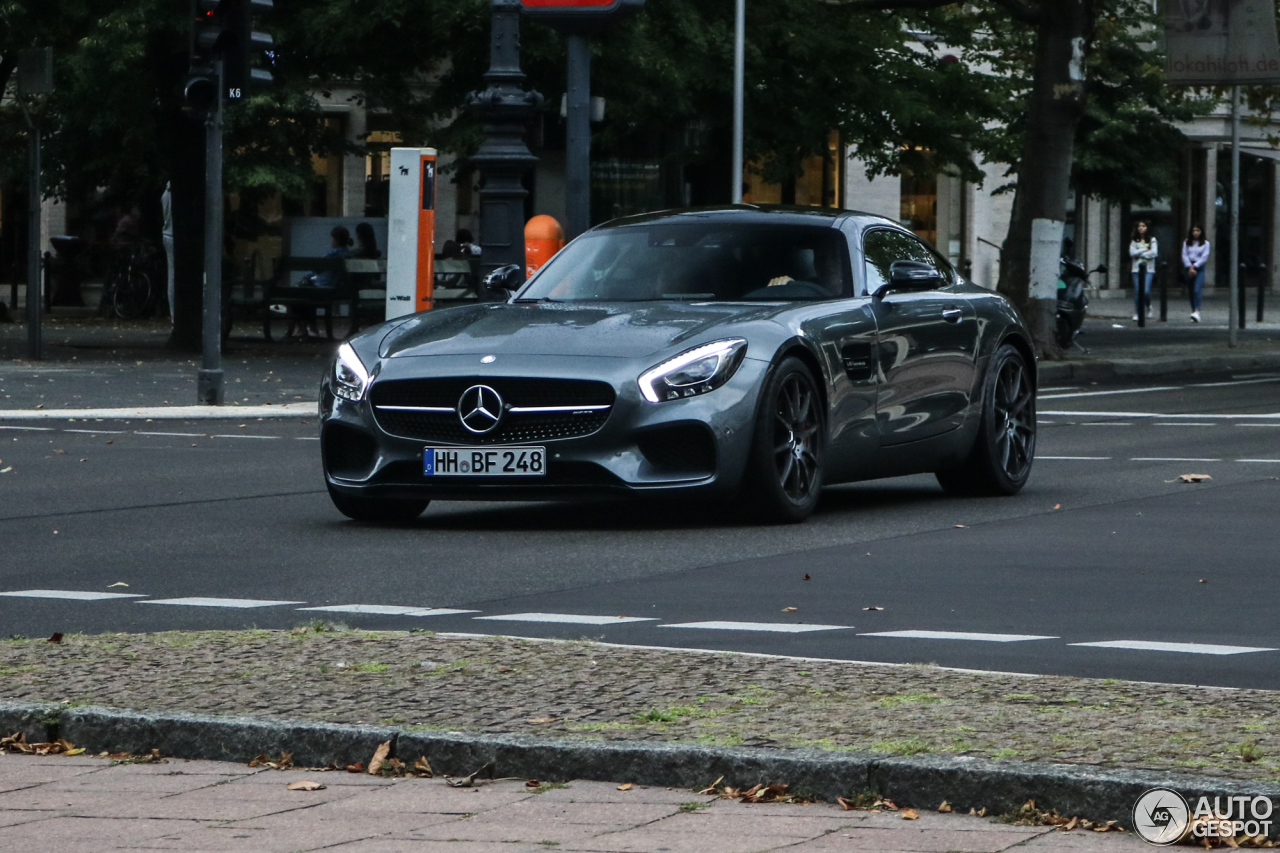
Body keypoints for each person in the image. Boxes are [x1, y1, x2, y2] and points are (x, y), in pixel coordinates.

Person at [290, 225, 353, 339]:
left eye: (332, 239)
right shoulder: (348, 254)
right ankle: (310, 326)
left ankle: (302, 327)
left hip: (324, 289)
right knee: (306, 291)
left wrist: (305, 278)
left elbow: (316, 268)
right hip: (337, 288)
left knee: (296, 293)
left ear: (335, 239)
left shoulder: (332, 254)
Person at [1129, 220, 1158, 322]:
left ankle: (1148, 305)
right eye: (1139, 226)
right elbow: (1132, 253)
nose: (1141, 228)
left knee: (1145, 291)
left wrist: (1140, 254)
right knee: (1138, 291)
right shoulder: (1134, 240)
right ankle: (1137, 312)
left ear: (1147, 227)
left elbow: (1154, 253)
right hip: (1136, 269)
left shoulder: (1152, 240)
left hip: (1148, 269)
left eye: (1143, 226)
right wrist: (1145, 250)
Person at [1182, 224, 1210, 323]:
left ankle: (1197, 310)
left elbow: (1204, 257)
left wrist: (1195, 266)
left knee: (1197, 289)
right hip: (1189, 266)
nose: (1196, 233)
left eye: (1198, 230)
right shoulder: (1187, 242)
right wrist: (1190, 266)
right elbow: (1184, 255)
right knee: (1190, 290)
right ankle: (1193, 310)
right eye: (1194, 231)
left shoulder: (1205, 243)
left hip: (1199, 267)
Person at [161, 183, 174, 323]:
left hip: (168, 236)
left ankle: (173, 315)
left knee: (172, 276)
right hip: (176, 237)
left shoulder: (165, 194)